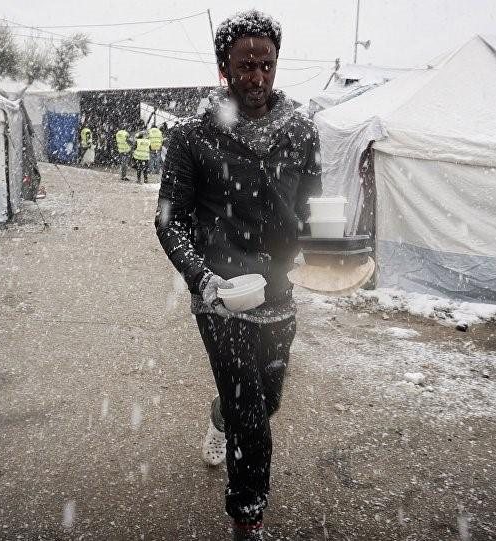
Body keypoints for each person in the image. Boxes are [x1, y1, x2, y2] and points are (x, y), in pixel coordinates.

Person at [154, 10, 321, 540]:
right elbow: (168, 222)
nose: (256, 78)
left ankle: (220, 415)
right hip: (220, 295)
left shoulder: (300, 131)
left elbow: (314, 208)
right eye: (245, 66)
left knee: (266, 400)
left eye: (265, 65)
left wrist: (332, 248)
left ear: (276, 65)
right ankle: (247, 518)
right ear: (223, 67)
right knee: (251, 408)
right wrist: (204, 278)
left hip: (278, 289)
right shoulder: (192, 136)